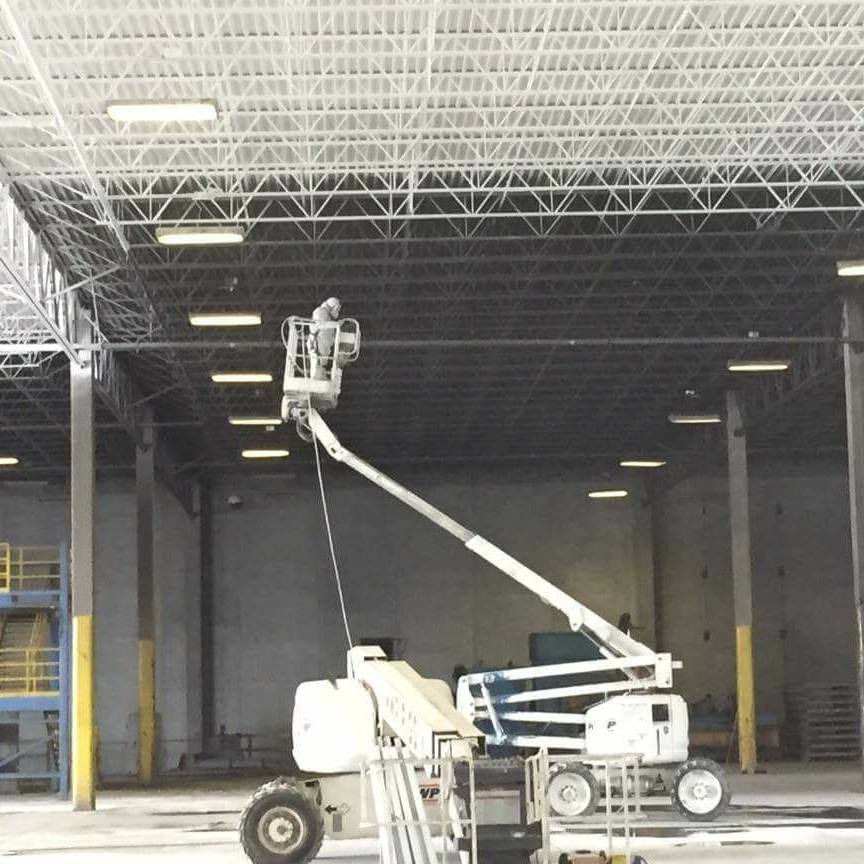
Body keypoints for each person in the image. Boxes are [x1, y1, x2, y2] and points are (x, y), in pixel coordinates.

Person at [309, 296, 341, 379]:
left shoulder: (328, 316)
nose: (337, 312)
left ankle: (320, 376)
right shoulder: (320, 312)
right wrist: (336, 325)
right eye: (337, 309)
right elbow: (321, 325)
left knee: (320, 367)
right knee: (317, 368)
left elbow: (328, 334)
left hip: (322, 347)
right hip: (317, 345)